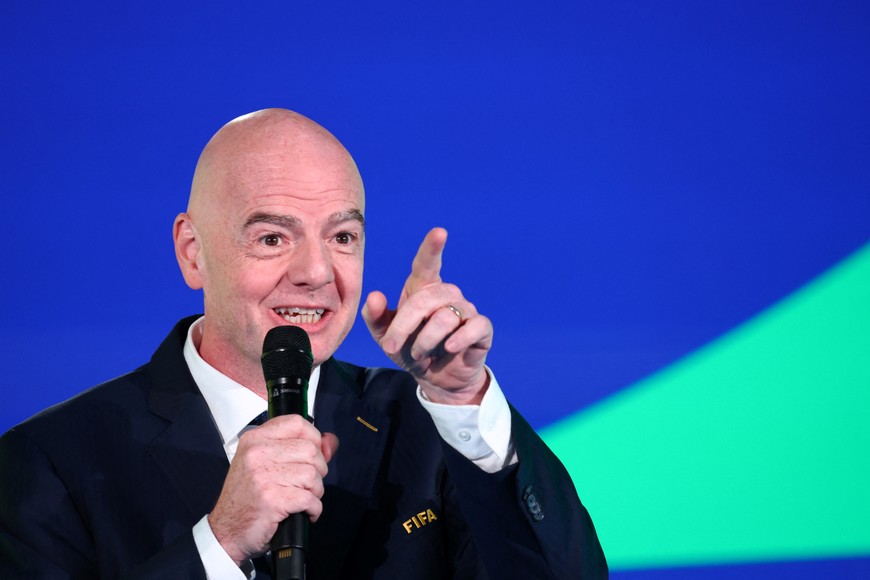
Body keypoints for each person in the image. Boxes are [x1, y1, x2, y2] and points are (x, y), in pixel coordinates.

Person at [0, 109, 606, 579]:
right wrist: (220, 542)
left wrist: (464, 397)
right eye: (271, 238)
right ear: (193, 252)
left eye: (342, 236)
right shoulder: (47, 463)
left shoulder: (428, 425)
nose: (317, 272)